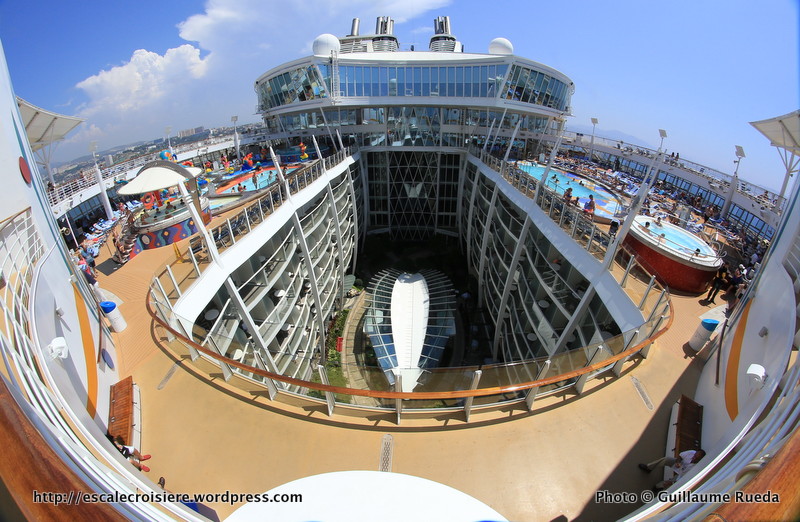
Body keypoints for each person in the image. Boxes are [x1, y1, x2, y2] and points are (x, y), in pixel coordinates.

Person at [639, 449, 706, 491]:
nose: (694, 458)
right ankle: (648, 468)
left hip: (682, 476)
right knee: (667, 459)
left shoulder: (697, 468)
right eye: (694, 456)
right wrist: (678, 462)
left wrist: (672, 483)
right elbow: (680, 456)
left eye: (696, 458)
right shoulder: (691, 452)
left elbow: (685, 479)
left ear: (700, 459)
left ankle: (659, 487)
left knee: (672, 483)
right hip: (679, 465)